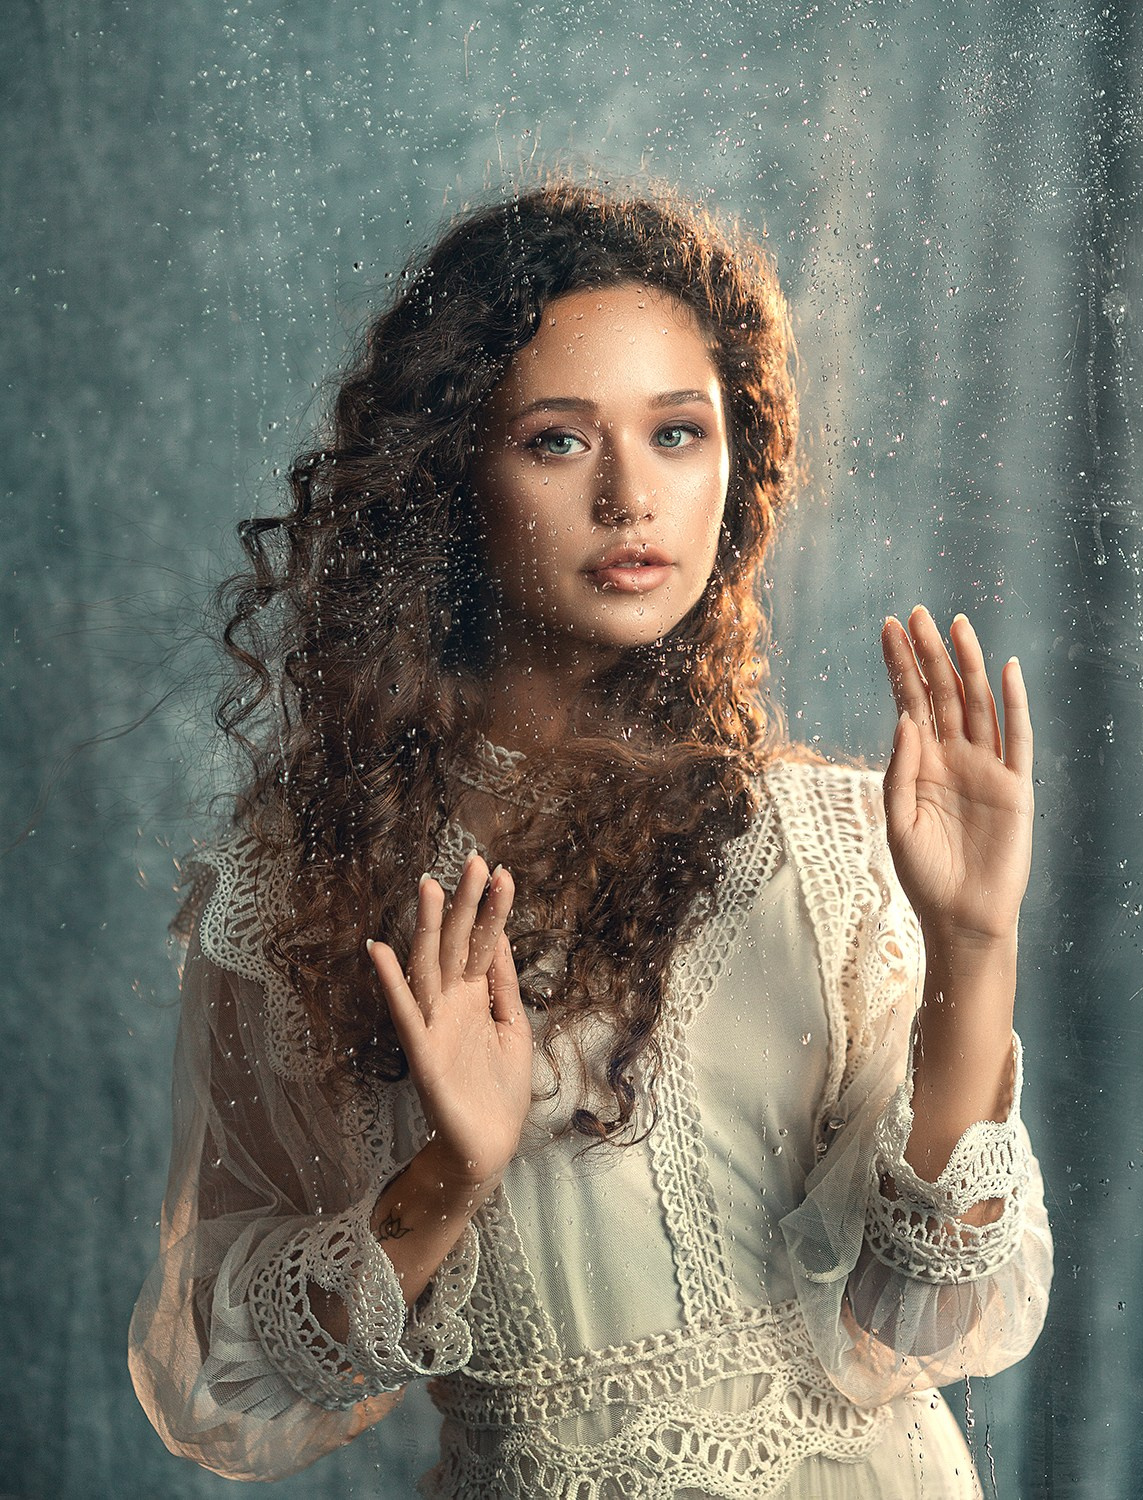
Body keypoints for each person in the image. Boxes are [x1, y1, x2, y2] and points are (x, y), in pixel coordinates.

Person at [128, 174, 1053, 1499]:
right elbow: (234, 1386)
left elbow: (919, 1313)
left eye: (678, 433)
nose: (633, 496)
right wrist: (453, 1172)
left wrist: (974, 946)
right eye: (559, 440)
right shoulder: (300, 882)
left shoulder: (838, 842)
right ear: (454, 475)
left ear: (736, 465)